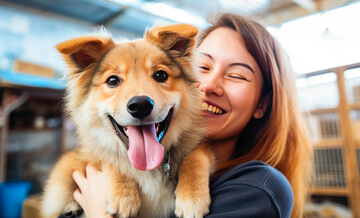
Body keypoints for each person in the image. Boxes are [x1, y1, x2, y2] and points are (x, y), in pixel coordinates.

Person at [71, 13, 312, 218]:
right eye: (202, 67)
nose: (208, 86)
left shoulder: (258, 188)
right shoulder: (144, 159)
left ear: (262, 103)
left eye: (237, 75)